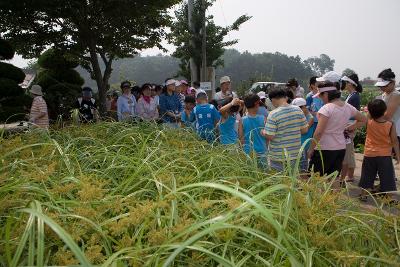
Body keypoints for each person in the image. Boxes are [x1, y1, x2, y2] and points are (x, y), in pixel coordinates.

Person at [308, 79, 367, 178]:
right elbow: (364, 119)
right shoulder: (348, 107)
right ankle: (335, 193)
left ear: (326, 94)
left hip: (324, 148)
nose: (320, 98)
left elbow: (318, 132)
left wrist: (311, 148)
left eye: (320, 95)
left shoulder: (326, 109)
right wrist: (349, 128)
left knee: (314, 178)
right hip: (340, 147)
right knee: (333, 178)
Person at [359, 99, 398, 203]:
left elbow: (368, 116)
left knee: (367, 175)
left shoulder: (369, 122)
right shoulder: (390, 124)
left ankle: (363, 195)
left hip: (369, 153)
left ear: (370, 112)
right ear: (385, 110)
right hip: (384, 155)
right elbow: (394, 141)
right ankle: (389, 198)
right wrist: (398, 156)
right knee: (387, 176)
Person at [263, 89, 309, 172]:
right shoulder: (298, 110)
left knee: (279, 181)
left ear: (273, 100)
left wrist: (263, 132)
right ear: (285, 97)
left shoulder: (273, 114)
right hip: (295, 154)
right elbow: (305, 130)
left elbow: (270, 136)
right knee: (292, 180)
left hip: (278, 155)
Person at [340, 73, 363, 183]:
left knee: (348, 152)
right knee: (350, 151)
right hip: (349, 126)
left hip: (349, 127)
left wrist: (350, 127)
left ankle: (347, 176)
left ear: (350, 84)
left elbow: (353, 114)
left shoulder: (354, 97)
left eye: (345, 82)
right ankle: (350, 175)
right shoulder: (352, 95)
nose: (344, 84)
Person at [239, 94, 267, 169]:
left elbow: (241, 139)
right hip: (262, 151)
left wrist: (242, 152)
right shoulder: (263, 118)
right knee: (263, 175)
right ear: (256, 104)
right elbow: (267, 137)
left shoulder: (242, 120)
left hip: (248, 152)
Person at [375, 69, 400, 149]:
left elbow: (387, 116)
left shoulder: (396, 95)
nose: (382, 88)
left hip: (395, 132)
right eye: (380, 86)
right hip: (385, 130)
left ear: (393, 83)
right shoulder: (384, 94)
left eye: (384, 85)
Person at [292, 98, 314, 173]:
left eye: (300, 108)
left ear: (304, 107)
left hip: (305, 143)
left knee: (303, 163)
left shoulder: (310, 118)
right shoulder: (299, 116)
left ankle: (304, 178)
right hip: (298, 142)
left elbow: (305, 130)